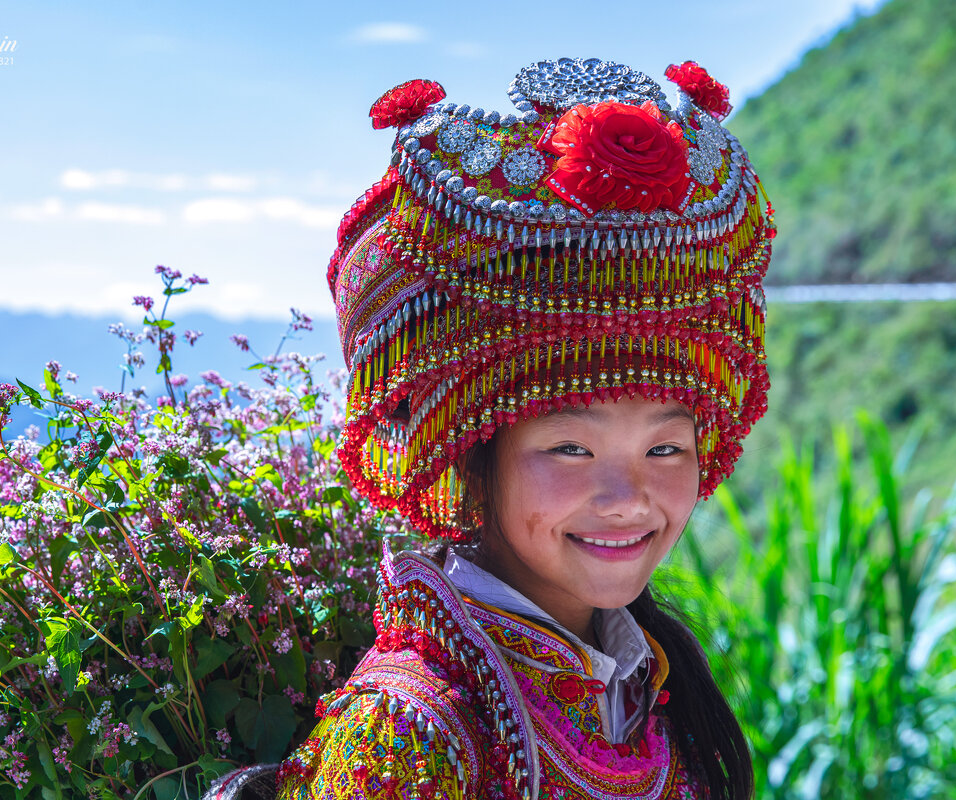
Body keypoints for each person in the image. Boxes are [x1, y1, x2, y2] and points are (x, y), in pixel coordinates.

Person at [210, 56, 774, 800]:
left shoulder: (652, 691)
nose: (629, 497)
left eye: (665, 447)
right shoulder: (406, 734)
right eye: (572, 447)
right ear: (474, 453)